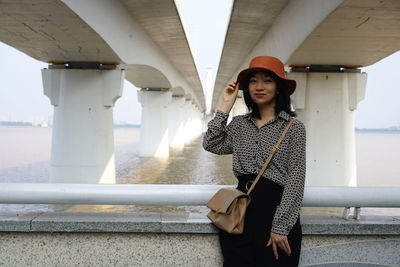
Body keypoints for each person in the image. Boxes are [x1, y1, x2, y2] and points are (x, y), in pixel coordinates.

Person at [203, 56, 306, 266]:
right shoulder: (240, 124)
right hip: (240, 212)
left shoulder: (294, 128)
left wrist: (280, 226)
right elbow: (211, 143)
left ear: (279, 88)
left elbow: (296, 179)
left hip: (276, 212)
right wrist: (225, 107)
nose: (259, 86)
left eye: (267, 80)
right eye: (253, 81)